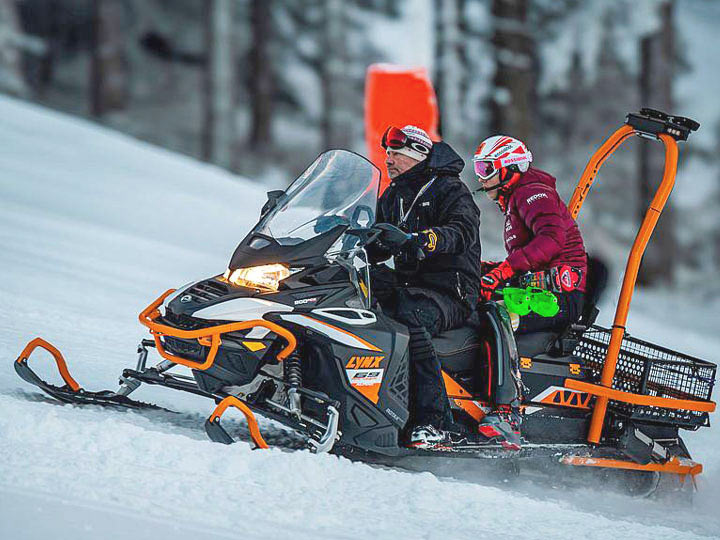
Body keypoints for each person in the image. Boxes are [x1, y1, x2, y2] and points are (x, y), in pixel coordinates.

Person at [367, 125, 482, 449]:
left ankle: (434, 422)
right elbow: (373, 236)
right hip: (410, 285)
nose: (388, 159)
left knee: (408, 319)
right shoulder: (394, 194)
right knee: (352, 289)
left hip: (450, 291)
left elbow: (461, 232)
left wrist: (422, 240)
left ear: (417, 155)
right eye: (388, 152)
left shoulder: (450, 190)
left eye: (396, 153)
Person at [472, 135, 588, 334]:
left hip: (559, 297)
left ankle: (502, 366)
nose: (481, 177)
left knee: (496, 321)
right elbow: (529, 258)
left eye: (486, 169)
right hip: (537, 292)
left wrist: (507, 269)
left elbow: (552, 238)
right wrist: (490, 269)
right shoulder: (516, 198)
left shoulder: (531, 192)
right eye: (478, 169)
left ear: (509, 168)